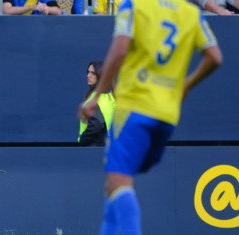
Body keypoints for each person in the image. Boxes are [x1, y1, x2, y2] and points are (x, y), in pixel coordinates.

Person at [80, 0, 223, 234]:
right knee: (115, 184)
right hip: (166, 116)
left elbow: (120, 50)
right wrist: (187, 84)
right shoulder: (190, 13)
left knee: (119, 184)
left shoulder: (135, 5)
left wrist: (96, 95)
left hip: (134, 109)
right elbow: (215, 57)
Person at [78, 60, 115, 146]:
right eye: (88, 72)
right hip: (107, 146)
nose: (88, 76)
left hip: (94, 147)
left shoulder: (97, 99)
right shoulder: (111, 97)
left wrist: (83, 140)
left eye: (92, 73)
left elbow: (96, 125)